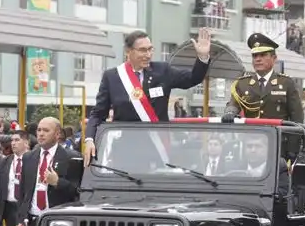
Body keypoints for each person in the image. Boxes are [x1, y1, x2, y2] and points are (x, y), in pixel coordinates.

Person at [83, 28, 212, 166]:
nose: (148, 54)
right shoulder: (113, 77)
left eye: (150, 49)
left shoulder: (162, 71)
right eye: (143, 50)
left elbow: (192, 79)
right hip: (126, 151)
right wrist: (89, 139)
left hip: (157, 149)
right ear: (128, 51)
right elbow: (98, 114)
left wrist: (203, 58)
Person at [223, 33, 303, 123]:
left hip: (277, 135)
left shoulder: (286, 83)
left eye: (263, 55)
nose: (258, 59)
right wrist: (230, 112)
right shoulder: (242, 84)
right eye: (255, 56)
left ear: (274, 58)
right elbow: (233, 104)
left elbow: (297, 117)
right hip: (251, 134)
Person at [16, 117, 81, 226]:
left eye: (46, 130)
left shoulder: (71, 158)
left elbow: (77, 192)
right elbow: (23, 192)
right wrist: (20, 219)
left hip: (58, 221)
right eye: (39, 130)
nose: (41, 134)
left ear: (57, 134)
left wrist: (58, 182)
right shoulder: (28, 157)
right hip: (31, 219)